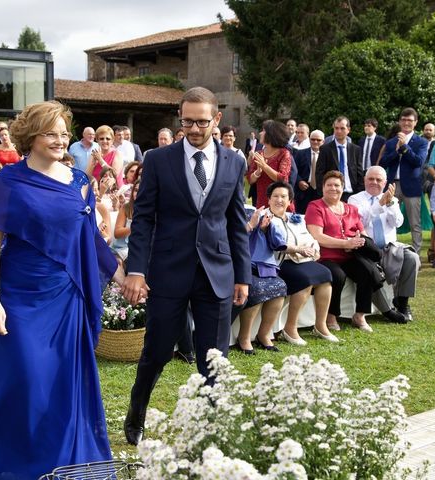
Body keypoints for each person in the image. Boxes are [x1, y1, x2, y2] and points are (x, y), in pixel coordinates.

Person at [0, 100, 122, 479]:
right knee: (23, 379)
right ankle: (14, 459)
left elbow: (90, 241)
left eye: (64, 133)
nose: (59, 140)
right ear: (31, 136)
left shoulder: (80, 182)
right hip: (19, 296)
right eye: (50, 133)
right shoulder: (9, 181)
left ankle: (62, 460)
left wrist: (123, 277)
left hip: (66, 296)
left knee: (59, 382)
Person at [121, 86, 250, 446]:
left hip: (216, 272)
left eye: (201, 122)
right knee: (157, 351)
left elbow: (236, 222)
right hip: (168, 271)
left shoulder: (233, 161)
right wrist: (136, 269)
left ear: (217, 119)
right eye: (187, 121)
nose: (194, 129)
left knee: (214, 358)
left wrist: (242, 275)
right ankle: (137, 410)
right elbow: (143, 219)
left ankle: (209, 428)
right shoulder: (158, 160)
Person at [306, 171, 377, 333]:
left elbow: (362, 232)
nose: (333, 188)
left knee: (367, 270)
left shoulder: (351, 209)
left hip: (350, 255)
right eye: (329, 185)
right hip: (325, 257)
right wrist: (345, 243)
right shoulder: (315, 206)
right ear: (322, 188)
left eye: (337, 185)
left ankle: (359, 315)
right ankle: (331, 316)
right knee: (337, 275)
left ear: (343, 188)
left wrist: (358, 241)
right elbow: (318, 236)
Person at [266, 182, 335, 343]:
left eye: (284, 197)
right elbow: (276, 244)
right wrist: (298, 249)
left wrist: (315, 249)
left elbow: (309, 238)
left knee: (326, 275)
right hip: (279, 262)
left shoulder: (295, 218)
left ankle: (320, 325)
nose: (279, 200)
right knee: (305, 280)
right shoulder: (266, 219)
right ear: (268, 199)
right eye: (275, 196)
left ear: (290, 200)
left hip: (302, 259)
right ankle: (290, 328)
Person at [348, 166, 420, 322]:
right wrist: (380, 204)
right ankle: (386, 308)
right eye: (370, 179)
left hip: (389, 247)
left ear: (385, 182)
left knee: (412, 258)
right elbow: (360, 221)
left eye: (378, 179)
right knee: (368, 269)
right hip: (366, 249)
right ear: (364, 180)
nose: (374, 182)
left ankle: (402, 302)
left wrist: (390, 205)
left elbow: (398, 223)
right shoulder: (354, 199)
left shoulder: (392, 199)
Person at [235, 204, 288, 354]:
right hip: (238, 262)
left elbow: (275, 242)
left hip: (260, 263)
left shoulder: (254, 210)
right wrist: (251, 225)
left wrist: (264, 228)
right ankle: (244, 338)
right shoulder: (225, 210)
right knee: (257, 289)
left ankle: (263, 334)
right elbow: (230, 237)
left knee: (279, 286)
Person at [380, 108, 429, 253]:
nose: (406, 123)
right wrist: (396, 151)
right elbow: (384, 162)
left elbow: (418, 162)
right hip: (392, 185)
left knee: (415, 223)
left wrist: (404, 148)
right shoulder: (390, 142)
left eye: (410, 120)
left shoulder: (421, 142)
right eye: (404, 120)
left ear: (415, 123)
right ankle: (390, 253)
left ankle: (416, 255)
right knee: (388, 219)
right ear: (400, 121)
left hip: (411, 186)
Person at [315, 116, 363, 201]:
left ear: (348, 130)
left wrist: (359, 192)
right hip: (332, 194)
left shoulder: (356, 150)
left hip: (352, 194)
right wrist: (322, 193)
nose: (338, 131)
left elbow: (359, 173)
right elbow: (319, 173)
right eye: (336, 128)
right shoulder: (325, 149)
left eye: (342, 128)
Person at [246, 120, 292, 208]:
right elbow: (249, 179)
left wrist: (264, 166)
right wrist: (257, 173)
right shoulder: (259, 153)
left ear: (271, 134)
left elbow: (282, 179)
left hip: (279, 202)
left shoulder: (284, 153)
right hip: (261, 201)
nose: (260, 133)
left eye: (263, 131)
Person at [293, 129, 324, 215]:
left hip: (320, 191)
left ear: (323, 141)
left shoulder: (327, 154)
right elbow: (293, 170)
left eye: (318, 140)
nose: (315, 142)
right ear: (309, 139)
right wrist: (299, 181)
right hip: (303, 191)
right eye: (313, 139)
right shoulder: (300, 153)